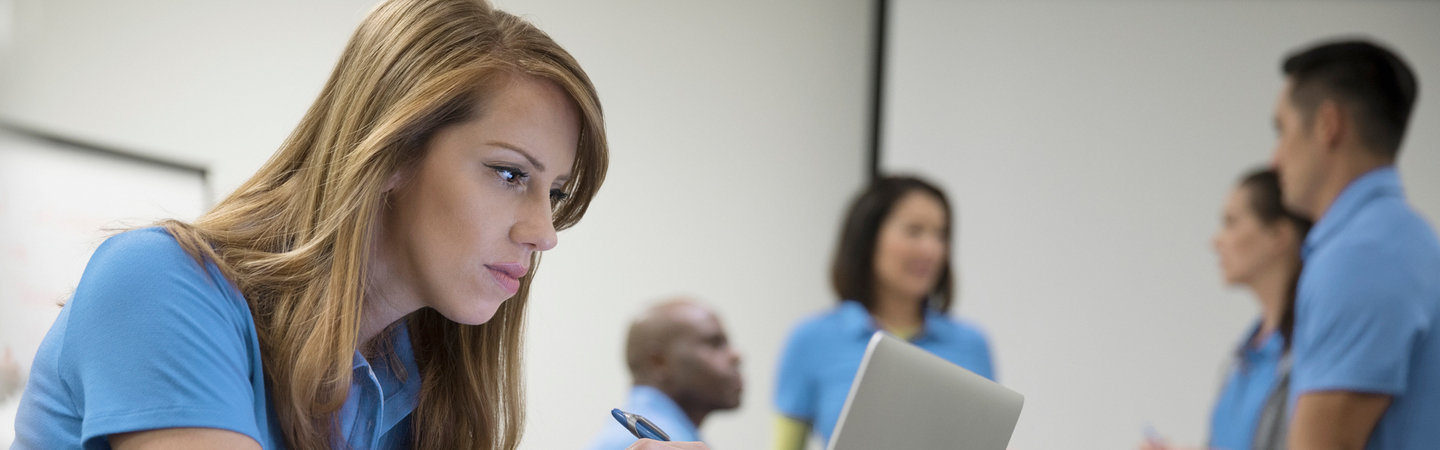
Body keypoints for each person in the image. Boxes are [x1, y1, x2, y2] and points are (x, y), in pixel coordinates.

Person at [10, 0, 706, 449]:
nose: (543, 231)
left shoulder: (410, 379)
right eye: (508, 174)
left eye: (553, 192)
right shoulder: (157, 282)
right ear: (392, 150)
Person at [1268, 39, 1440, 450]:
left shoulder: (1361, 256)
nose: (1275, 159)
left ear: (1329, 125)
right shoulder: (1402, 239)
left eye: (1282, 130)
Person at [771, 176, 995, 449]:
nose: (931, 249)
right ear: (868, 238)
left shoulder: (972, 345)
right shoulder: (812, 339)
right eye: (914, 231)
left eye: (941, 235)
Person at [1140, 169, 1312, 450]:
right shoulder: (1242, 357)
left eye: (1231, 223)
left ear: (1279, 236)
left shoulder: (1309, 353)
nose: (1215, 241)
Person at [586, 299, 743, 450]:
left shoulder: (667, 436)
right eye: (715, 343)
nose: (736, 356)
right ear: (659, 362)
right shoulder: (645, 445)